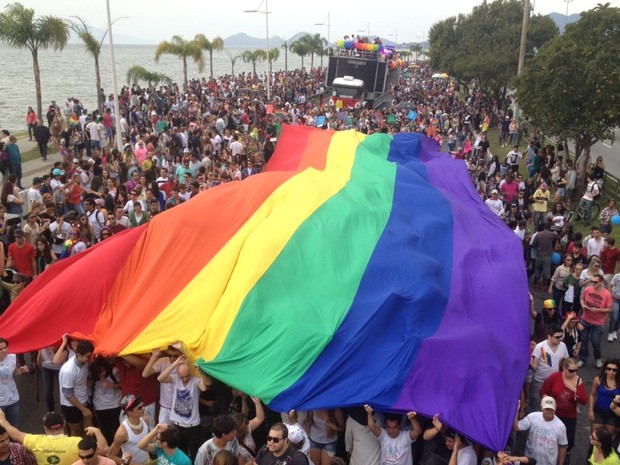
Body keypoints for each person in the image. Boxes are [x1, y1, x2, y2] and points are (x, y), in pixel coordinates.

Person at [0, 410, 108, 465]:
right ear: (64, 424)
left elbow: (15, 434)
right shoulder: (76, 442)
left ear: (45, 429)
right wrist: (97, 431)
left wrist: (2, 420)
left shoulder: (35, 441)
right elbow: (103, 450)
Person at [157, 355, 209, 459]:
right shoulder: (175, 379)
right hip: (177, 424)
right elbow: (160, 378)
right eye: (182, 377)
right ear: (178, 374)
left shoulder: (195, 380)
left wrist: (199, 372)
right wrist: (176, 363)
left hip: (193, 425)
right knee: (180, 454)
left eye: (187, 376)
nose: (185, 379)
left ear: (190, 373)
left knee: (195, 455)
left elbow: (203, 388)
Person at [540, 357, 587, 453]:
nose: (574, 373)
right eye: (571, 371)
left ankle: (564, 458)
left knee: (569, 442)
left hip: (569, 416)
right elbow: (544, 391)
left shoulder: (578, 381)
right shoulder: (555, 377)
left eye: (576, 370)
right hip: (554, 414)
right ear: (564, 369)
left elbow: (584, 400)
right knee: (551, 439)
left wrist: (574, 389)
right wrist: (548, 404)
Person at [514, 396, 568, 465]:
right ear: (541, 407)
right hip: (530, 462)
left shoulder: (560, 426)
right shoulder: (533, 417)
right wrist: (516, 411)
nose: (549, 411)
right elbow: (516, 427)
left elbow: (563, 447)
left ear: (555, 409)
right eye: (546, 408)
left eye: (551, 409)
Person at [529, 325, 569, 414]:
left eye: (561, 336)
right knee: (536, 405)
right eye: (557, 337)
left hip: (555, 382)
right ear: (549, 336)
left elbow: (566, 362)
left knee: (552, 405)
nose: (560, 339)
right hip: (540, 381)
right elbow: (534, 366)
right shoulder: (540, 347)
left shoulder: (563, 346)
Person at [59, 340, 95, 436]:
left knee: (89, 430)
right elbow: (68, 394)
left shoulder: (85, 362)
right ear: (79, 355)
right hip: (70, 406)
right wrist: (83, 409)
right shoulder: (69, 371)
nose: (90, 358)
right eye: (88, 356)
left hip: (84, 400)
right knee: (76, 432)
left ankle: (90, 449)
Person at [579, 275, 613, 368]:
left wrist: (597, 310)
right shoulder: (588, 289)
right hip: (585, 319)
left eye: (595, 282)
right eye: (592, 281)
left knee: (595, 342)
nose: (593, 283)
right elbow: (582, 298)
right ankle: (582, 359)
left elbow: (610, 309)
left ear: (601, 282)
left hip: (598, 322)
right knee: (584, 340)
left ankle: (598, 358)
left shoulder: (606, 294)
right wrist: (583, 306)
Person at [108, 395, 151, 465]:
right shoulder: (122, 433)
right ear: (129, 412)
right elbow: (110, 455)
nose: (143, 408)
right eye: (139, 408)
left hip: (147, 461)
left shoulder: (145, 420)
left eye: (143, 405)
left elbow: (150, 439)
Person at [0, 337, 29, 426]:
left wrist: (21, 371)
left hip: (13, 398)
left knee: (14, 427)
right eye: (1, 349)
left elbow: (14, 372)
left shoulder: (12, 357)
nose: (4, 350)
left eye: (5, 347)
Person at [588, 359, 620, 436]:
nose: (611, 371)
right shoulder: (598, 380)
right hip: (599, 412)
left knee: (607, 441)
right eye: (609, 369)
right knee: (594, 438)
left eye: (614, 370)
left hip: (612, 415)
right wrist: (590, 410)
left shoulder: (619, 382)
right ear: (605, 369)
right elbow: (592, 395)